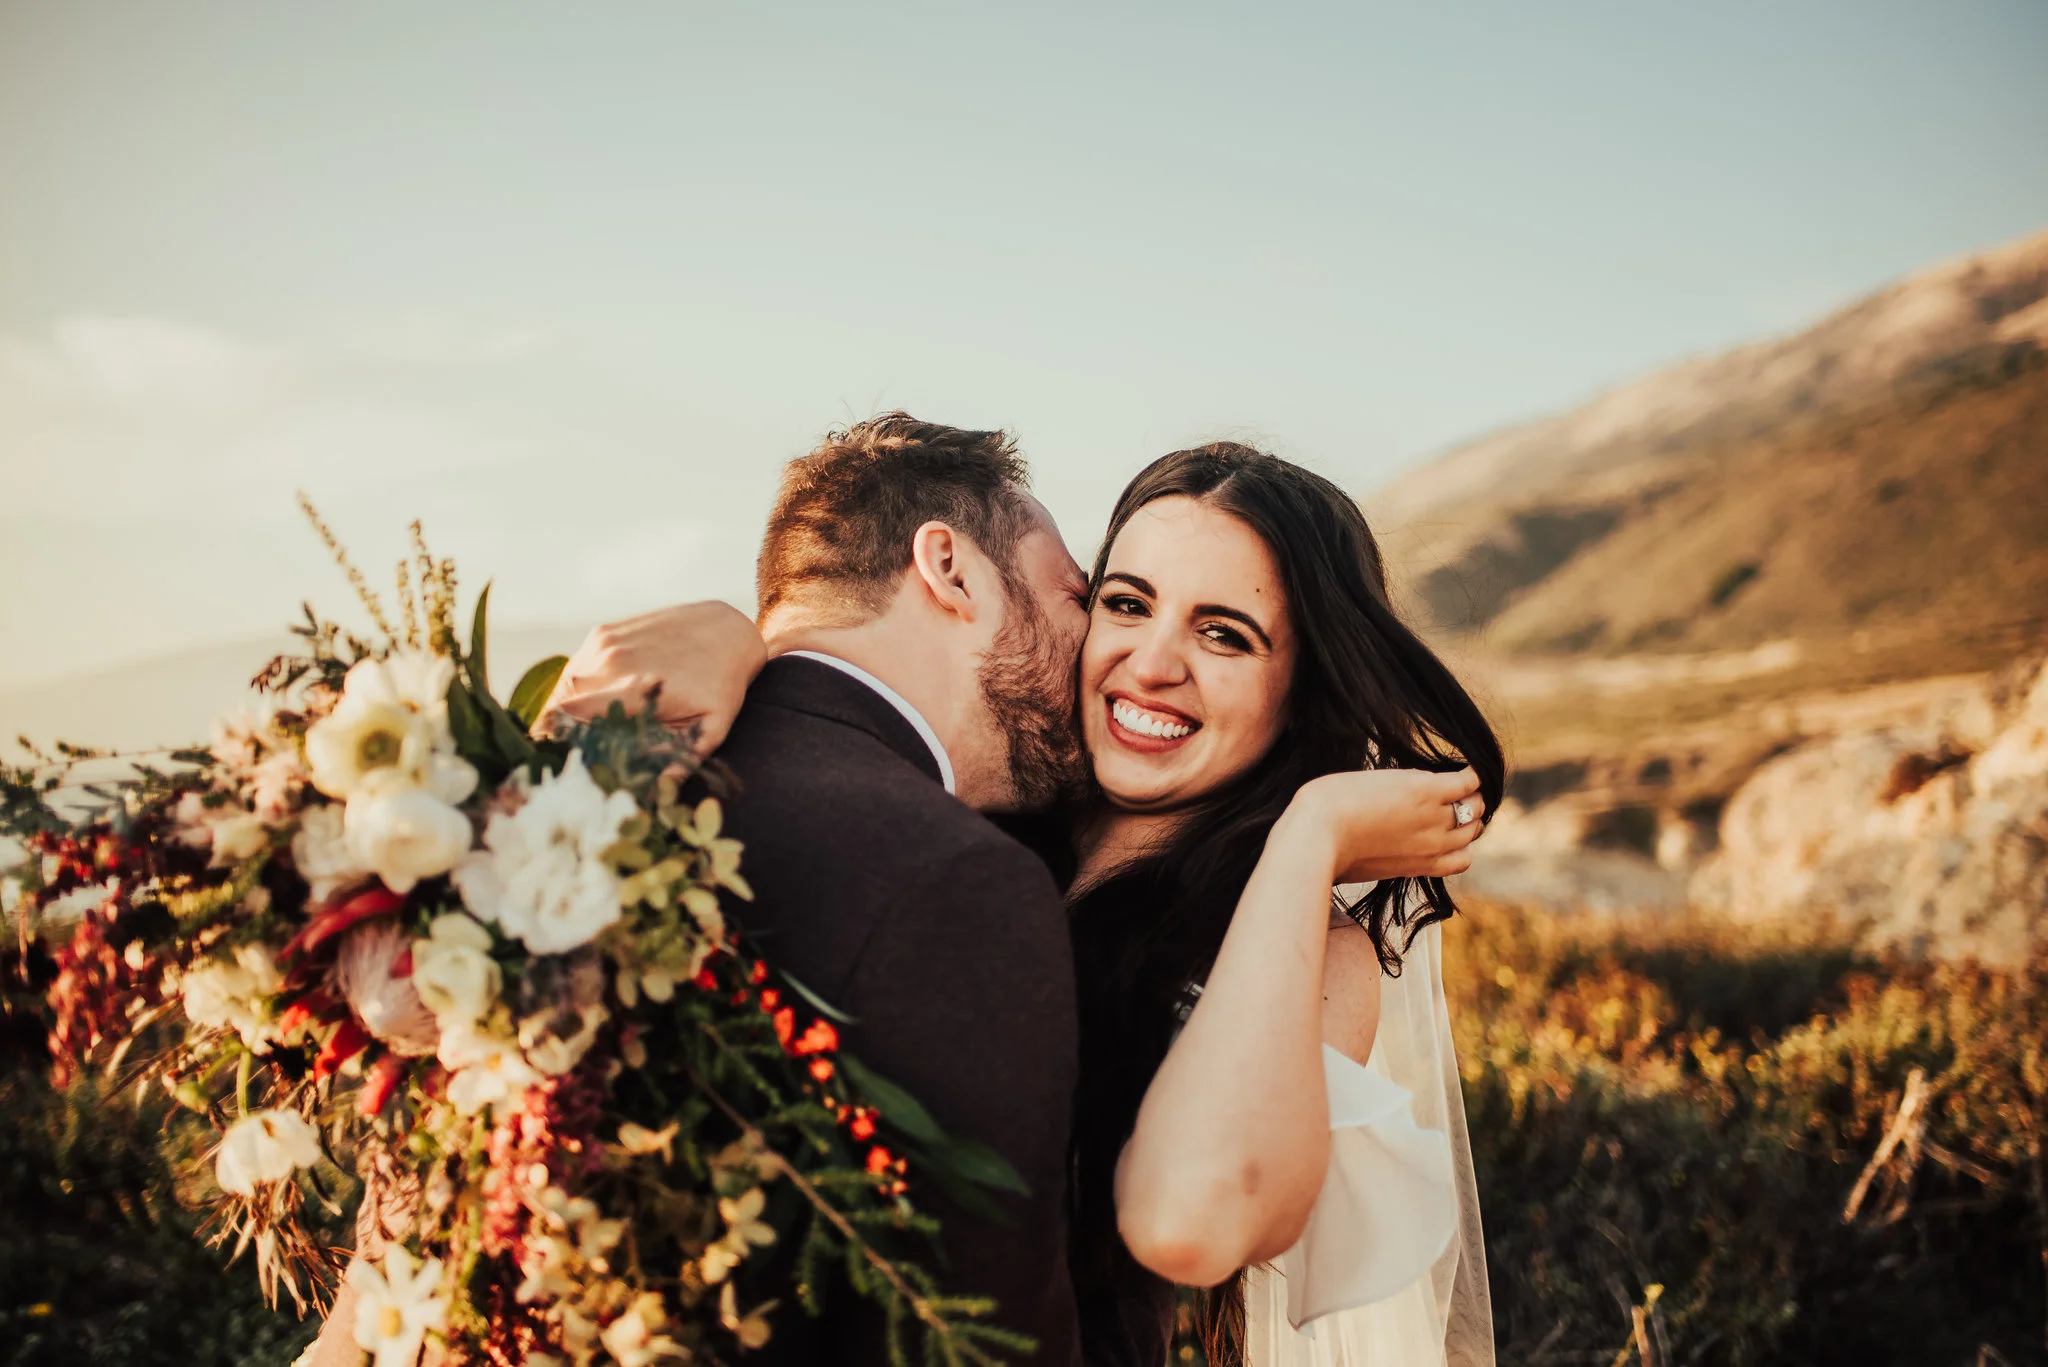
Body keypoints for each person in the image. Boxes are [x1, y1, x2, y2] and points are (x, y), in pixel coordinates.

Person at [551, 439, 1504, 1367]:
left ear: (1298, 693)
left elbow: (1190, 1222)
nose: (1152, 662)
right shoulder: (977, 820)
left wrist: (1307, 840)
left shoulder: (1313, 952)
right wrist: (736, 637)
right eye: (1124, 603)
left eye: (1224, 634)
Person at [309, 414, 1095, 1367]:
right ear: (951, 568)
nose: (1091, 639)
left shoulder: (552, 801)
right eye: (1073, 594)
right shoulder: (956, 881)